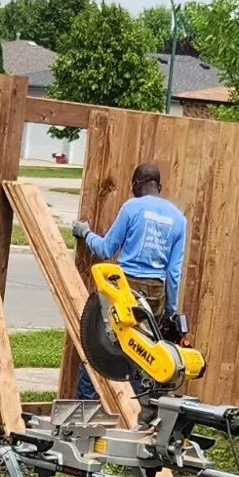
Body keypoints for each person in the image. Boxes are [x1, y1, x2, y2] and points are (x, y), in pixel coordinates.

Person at [72, 162, 188, 396]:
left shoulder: (132, 208)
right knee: (142, 355)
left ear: (137, 184)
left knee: (98, 349)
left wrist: (85, 233)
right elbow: (174, 273)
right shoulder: (178, 219)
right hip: (155, 294)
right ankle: (146, 418)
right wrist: (171, 310)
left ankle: (84, 408)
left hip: (124, 289)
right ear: (159, 186)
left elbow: (106, 249)